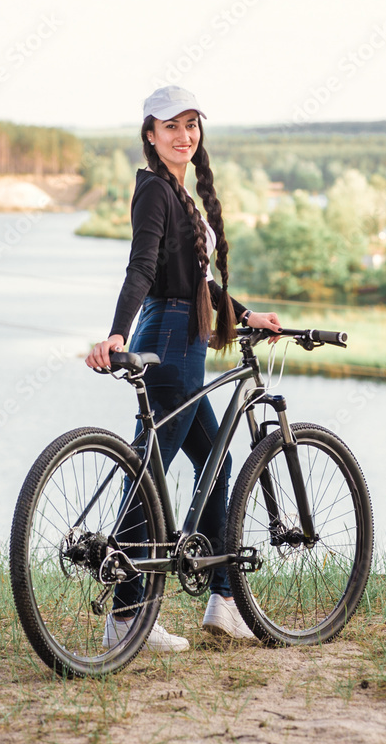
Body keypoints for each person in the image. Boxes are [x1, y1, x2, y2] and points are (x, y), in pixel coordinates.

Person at [85, 85, 281, 652]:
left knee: (214, 466)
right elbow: (142, 267)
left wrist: (247, 313)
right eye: (171, 126)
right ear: (150, 134)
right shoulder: (153, 190)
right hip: (169, 339)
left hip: (183, 336)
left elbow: (196, 282)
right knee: (149, 473)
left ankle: (224, 602)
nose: (184, 135)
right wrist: (117, 332)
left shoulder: (177, 192)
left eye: (192, 125)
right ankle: (125, 618)